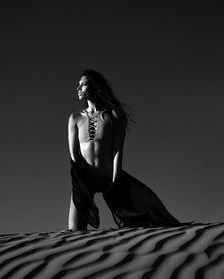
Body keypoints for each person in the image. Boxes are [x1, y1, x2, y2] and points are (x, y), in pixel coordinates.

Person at [68, 69, 182, 230]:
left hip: (109, 177)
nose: (78, 88)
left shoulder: (114, 116)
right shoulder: (75, 118)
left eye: (84, 84)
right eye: (78, 85)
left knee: (136, 218)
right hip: (85, 181)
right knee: (74, 230)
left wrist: (114, 180)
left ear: (97, 87)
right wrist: (80, 185)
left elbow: (117, 151)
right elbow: (74, 155)